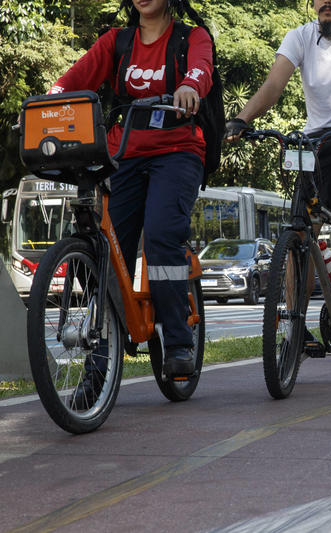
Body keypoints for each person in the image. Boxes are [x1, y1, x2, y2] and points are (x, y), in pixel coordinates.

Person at [48, 0, 214, 388]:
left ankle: (177, 339)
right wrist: (49, 98)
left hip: (177, 151)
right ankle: (98, 364)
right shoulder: (117, 42)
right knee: (105, 250)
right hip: (122, 153)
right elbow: (75, 78)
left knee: (159, 236)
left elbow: (200, 70)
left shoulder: (192, 37)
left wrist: (190, 86)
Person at [225, 0, 331, 297]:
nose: (327, 3)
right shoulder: (298, 36)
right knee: (301, 226)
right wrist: (241, 119)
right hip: (318, 136)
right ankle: (295, 329)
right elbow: (273, 85)